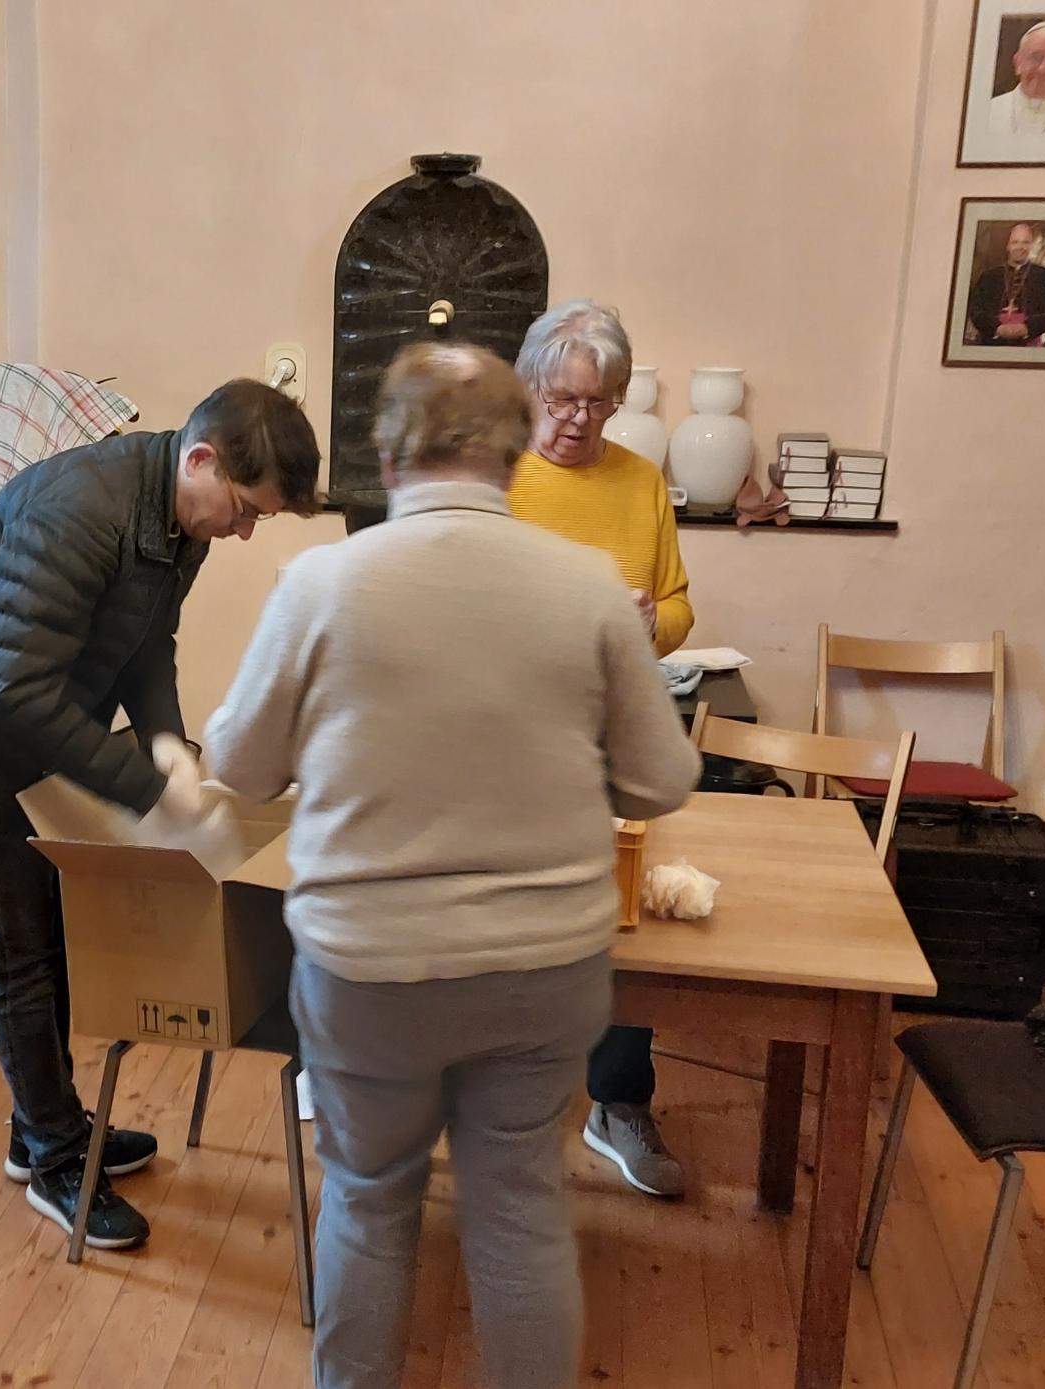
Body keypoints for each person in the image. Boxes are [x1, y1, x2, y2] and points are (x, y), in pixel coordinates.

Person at [204, 342, 697, 1389]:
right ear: (515, 457)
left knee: (370, 1197)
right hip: (543, 969)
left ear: (387, 456)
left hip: (366, 968)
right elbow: (661, 781)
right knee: (518, 1203)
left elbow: (240, 769)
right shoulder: (593, 592)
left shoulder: (321, 583)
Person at [0, 380, 321, 1249]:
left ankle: (44, 1119)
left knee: (56, 921)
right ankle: (50, 1154)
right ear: (202, 458)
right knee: (23, 935)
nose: (244, 530)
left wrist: (169, 748)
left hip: (16, 719)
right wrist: (153, 791)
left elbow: (148, 644)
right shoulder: (78, 510)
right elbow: (23, 696)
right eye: (244, 509)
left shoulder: (174, 518)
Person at [508, 299, 696, 1199]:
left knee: (619, 921)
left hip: (609, 730)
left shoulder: (641, 483)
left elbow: (680, 604)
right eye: (563, 399)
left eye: (599, 402)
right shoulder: (489, 475)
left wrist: (650, 620)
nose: (579, 419)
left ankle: (618, 1103)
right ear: (531, 388)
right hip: (505, 735)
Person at [967, 222, 1045, 347]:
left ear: (1031, 245)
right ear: (1008, 246)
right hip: (990, 345)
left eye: (1025, 242)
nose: (1020, 247)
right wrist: (996, 328)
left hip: (1029, 346)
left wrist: (1027, 328)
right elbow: (975, 310)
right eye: (1015, 242)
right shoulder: (988, 276)